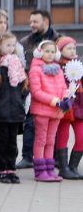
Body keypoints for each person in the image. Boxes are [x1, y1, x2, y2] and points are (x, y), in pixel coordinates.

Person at [19, 10, 60, 168]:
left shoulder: (58, 39)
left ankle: (52, 158)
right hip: (32, 88)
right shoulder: (24, 42)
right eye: (31, 22)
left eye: (35, 22)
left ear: (46, 22)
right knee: (30, 123)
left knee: (52, 127)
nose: (32, 25)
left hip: (54, 90)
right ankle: (27, 157)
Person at [0, 33, 28, 184]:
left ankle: (11, 169)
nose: (11, 48)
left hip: (15, 109)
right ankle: (2, 170)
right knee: (2, 141)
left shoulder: (17, 64)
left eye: (13, 45)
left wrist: (21, 102)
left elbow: (24, 87)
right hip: (1, 111)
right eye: (7, 45)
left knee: (13, 142)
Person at [28, 40, 68, 182]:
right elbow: (36, 92)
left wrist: (65, 99)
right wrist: (55, 101)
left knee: (51, 141)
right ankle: (40, 171)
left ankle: (49, 169)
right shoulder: (35, 70)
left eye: (52, 51)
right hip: (42, 111)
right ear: (40, 52)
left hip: (56, 111)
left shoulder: (58, 69)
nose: (50, 54)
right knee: (41, 140)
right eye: (47, 51)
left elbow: (64, 88)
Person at [56, 37, 83, 180]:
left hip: (79, 106)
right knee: (63, 136)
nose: (72, 51)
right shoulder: (57, 67)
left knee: (81, 137)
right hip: (65, 107)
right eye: (68, 48)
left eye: (74, 48)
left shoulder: (79, 65)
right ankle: (64, 168)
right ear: (60, 51)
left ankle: (73, 166)